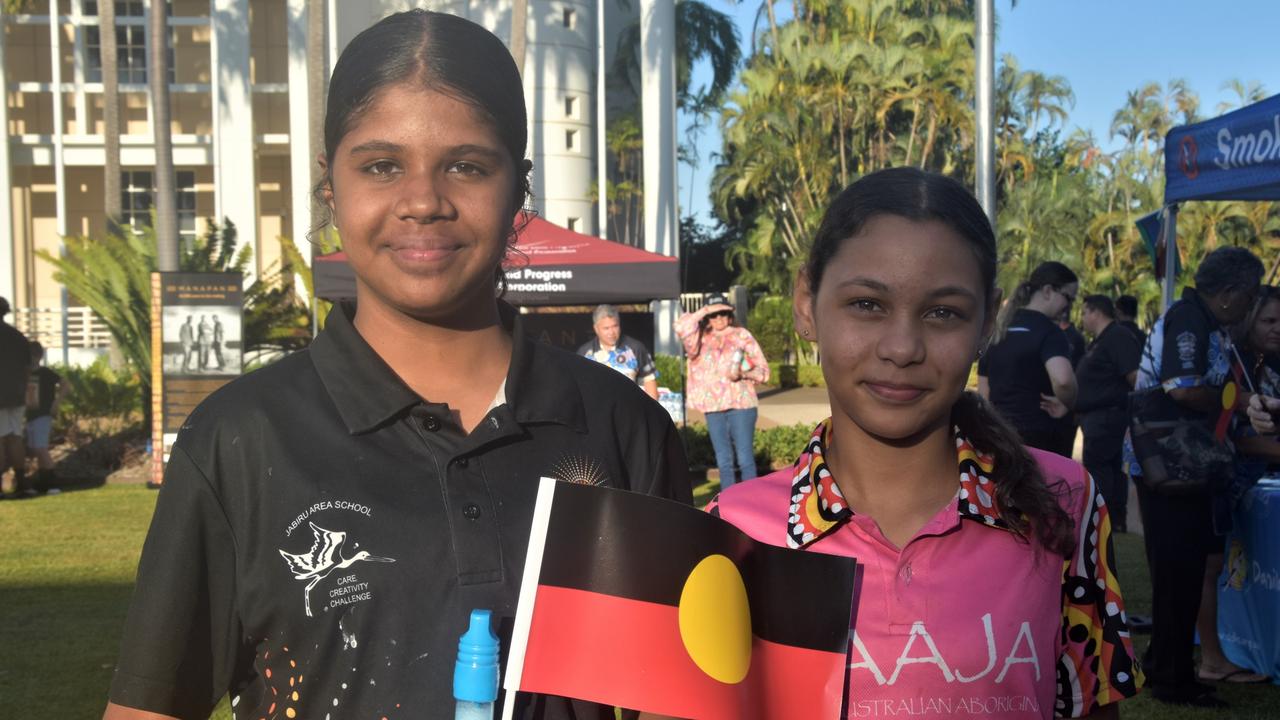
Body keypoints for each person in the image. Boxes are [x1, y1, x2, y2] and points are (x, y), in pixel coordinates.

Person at [103, 11, 690, 720]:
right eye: (382, 165)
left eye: (467, 166)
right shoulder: (239, 440)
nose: (422, 202)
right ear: (330, 185)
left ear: (519, 191)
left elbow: (678, 697)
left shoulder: (623, 427)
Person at [709, 168, 1140, 719]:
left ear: (988, 319)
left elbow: (1089, 706)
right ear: (805, 300)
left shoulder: (1063, 501)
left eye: (944, 313)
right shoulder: (731, 530)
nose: (903, 347)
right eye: (867, 304)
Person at [1124, 246, 1263, 707]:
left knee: (1179, 573)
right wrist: (1238, 402)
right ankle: (1172, 679)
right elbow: (1182, 389)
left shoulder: (1202, 319)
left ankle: (1167, 664)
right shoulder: (1190, 319)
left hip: (1182, 465)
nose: (1252, 306)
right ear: (1228, 294)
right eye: (1250, 295)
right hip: (1171, 465)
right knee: (1177, 572)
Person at [977, 261, 1079, 456]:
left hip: (1001, 435)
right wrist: (1069, 402)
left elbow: (984, 393)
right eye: (1068, 298)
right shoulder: (1050, 332)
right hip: (1040, 437)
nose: (1068, 307)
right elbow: (1063, 380)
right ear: (1048, 291)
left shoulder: (998, 330)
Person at [675, 293, 769, 489]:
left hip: (741, 405)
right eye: (714, 315)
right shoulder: (698, 339)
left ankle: (752, 501)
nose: (719, 318)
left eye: (723, 313)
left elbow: (763, 371)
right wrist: (704, 310)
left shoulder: (742, 335)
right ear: (707, 318)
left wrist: (743, 372)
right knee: (723, 461)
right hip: (713, 406)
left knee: (745, 458)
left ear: (730, 314)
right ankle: (728, 504)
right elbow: (681, 327)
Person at [1068, 295, 1141, 533]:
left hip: (1107, 417)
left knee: (1101, 469)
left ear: (1096, 312)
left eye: (1084, 312)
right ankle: (1108, 520)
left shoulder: (1117, 336)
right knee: (1104, 468)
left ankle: (1105, 520)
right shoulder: (1102, 340)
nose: (1082, 318)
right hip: (1095, 417)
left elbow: (1134, 376)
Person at [578, 304, 658, 399]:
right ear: (596, 329)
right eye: (606, 328)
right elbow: (578, 387)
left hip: (629, 409)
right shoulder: (584, 353)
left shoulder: (636, 348)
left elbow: (649, 380)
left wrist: (652, 410)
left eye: (615, 326)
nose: (611, 332)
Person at [0, 297, 31, 496]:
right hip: (16, 395)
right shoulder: (18, 336)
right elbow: (27, 368)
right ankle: (21, 482)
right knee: (15, 438)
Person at [24, 341, 63, 493]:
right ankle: (42, 482)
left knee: (41, 448)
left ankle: (53, 483)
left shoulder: (46, 373)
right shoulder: (25, 374)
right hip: (31, 416)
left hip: (43, 415)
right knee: (34, 449)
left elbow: (66, 385)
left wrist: (56, 403)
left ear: (38, 356)